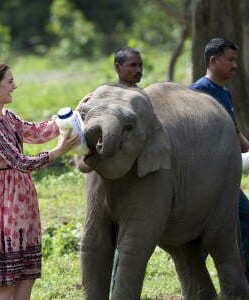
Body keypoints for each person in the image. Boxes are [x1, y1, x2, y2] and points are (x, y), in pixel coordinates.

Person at [0, 61, 81, 300]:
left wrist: (75, 113)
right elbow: (19, 162)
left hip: (24, 198)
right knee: (6, 282)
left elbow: (38, 131)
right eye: (10, 82)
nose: (15, 86)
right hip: (7, 203)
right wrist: (57, 152)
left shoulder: (8, 118)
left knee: (26, 276)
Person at [190, 37, 249, 293]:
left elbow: (233, 131)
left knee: (244, 223)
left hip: (224, 178)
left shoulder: (224, 92)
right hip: (205, 177)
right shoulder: (198, 92)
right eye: (230, 60)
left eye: (236, 60)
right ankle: (194, 285)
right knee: (233, 224)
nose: (234, 66)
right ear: (213, 61)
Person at [111, 47, 143, 291]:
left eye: (139, 65)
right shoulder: (109, 97)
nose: (138, 70)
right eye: (132, 65)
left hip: (140, 177)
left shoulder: (142, 97)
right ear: (118, 68)